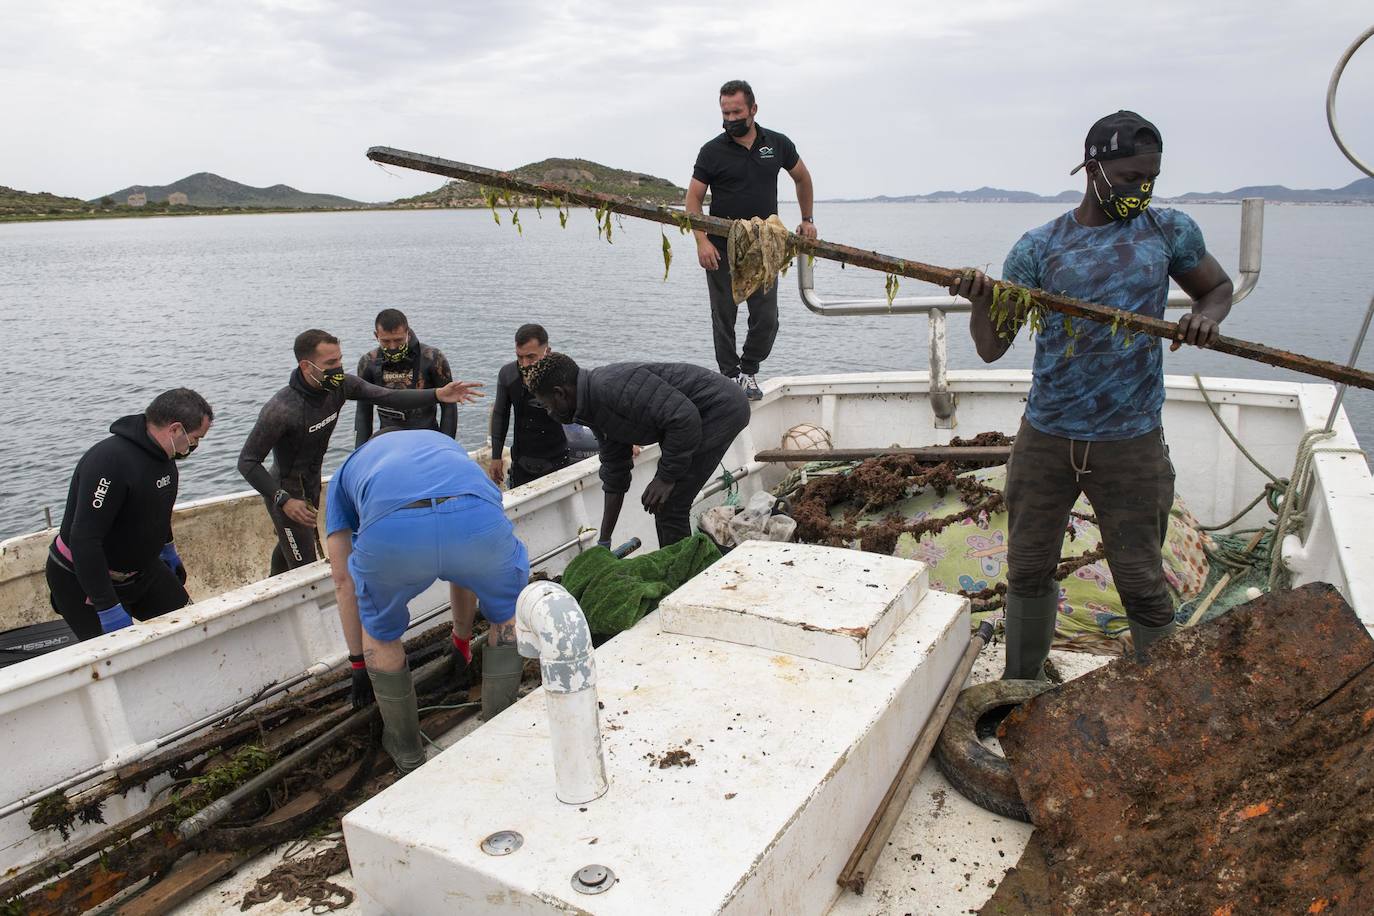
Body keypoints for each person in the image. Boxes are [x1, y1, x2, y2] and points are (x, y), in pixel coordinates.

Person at [950, 111, 1233, 675]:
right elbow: (990, 348)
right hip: (1047, 439)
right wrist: (982, 298)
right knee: (1028, 569)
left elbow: (1217, 287)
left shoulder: (1169, 232)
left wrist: (1206, 317)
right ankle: (1021, 685)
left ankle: (1160, 695)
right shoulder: (1039, 248)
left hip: (1130, 443)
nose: (1142, 190)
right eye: (1130, 178)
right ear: (1092, 169)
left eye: (1150, 178)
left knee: (1142, 583)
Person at [325, 429, 530, 773]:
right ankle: (498, 724)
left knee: (382, 633)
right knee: (506, 616)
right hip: (475, 519)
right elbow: (460, 573)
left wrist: (358, 664)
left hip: (394, 531)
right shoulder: (444, 446)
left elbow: (342, 581)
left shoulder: (348, 468)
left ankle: (407, 751)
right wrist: (461, 640)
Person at [238, 328, 482, 576]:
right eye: (330, 363)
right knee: (306, 570)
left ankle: (271, 586)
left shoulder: (340, 387)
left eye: (340, 359)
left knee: (289, 547)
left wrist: (438, 394)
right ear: (306, 366)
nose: (339, 368)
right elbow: (247, 462)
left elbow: (389, 396)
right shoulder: (281, 410)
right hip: (286, 494)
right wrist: (284, 500)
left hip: (310, 488)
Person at [524, 353, 751, 549]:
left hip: (721, 408)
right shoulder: (591, 407)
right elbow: (615, 472)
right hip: (694, 420)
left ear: (560, 393)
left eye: (547, 405)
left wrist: (666, 477)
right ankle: (677, 570)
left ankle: (683, 580)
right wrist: (604, 540)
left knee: (671, 505)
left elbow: (684, 419)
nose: (550, 414)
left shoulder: (609, 388)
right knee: (666, 505)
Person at [685, 78, 818, 400]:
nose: (730, 119)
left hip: (763, 244)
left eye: (736, 112)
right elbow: (693, 200)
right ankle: (729, 377)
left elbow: (802, 177)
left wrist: (807, 219)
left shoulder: (777, 143)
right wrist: (701, 241)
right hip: (720, 244)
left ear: (753, 109)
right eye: (725, 113)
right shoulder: (712, 151)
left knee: (766, 317)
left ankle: (749, 370)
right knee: (724, 315)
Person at [45, 388, 214, 640]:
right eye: (195, 439)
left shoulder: (164, 458)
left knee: (193, 630)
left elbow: (158, 510)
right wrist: (107, 606)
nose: (194, 447)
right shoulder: (109, 462)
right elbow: (84, 539)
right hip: (84, 578)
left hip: (142, 572)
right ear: (175, 429)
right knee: (117, 658)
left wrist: (168, 550)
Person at [353, 308, 457, 447]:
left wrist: (447, 446)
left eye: (398, 340)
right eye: (385, 341)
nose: (393, 346)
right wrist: (360, 451)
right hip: (388, 440)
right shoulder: (368, 362)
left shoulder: (432, 358)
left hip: (426, 438)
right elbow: (363, 412)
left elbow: (449, 405)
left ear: (407, 333)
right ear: (376, 335)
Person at [488, 324, 573, 488]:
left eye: (531, 357)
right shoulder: (508, 374)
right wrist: (496, 457)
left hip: (557, 461)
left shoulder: (562, 374)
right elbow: (501, 414)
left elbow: (587, 408)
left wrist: (619, 440)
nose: (525, 364)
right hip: (521, 462)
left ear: (547, 351)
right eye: (519, 357)